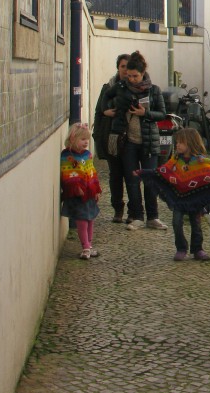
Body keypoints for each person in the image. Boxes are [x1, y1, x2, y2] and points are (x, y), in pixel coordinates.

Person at [134, 127, 210, 261]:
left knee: (196, 225)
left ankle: (198, 249)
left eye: (180, 142)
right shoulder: (175, 160)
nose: (177, 145)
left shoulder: (200, 161)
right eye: (177, 142)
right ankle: (181, 248)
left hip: (196, 199)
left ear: (190, 143)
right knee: (176, 222)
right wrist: (144, 172)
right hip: (179, 198)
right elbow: (162, 171)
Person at [111, 50, 169, 231]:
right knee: (132, 179)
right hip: (128, 141)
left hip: (149, 141)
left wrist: (146, 113)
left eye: (135, 76)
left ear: (143, 73)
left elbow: (162, 114)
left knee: (150, 180)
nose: (132, 79)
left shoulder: (154, 90)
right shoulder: (121, 88)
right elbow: (106, 97)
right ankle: (137, 216)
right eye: (129, 76)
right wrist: (109, 110)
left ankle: (153, 217)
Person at [92, 53, 130, 223]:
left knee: (131, 175)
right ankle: (118, 209)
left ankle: (134, 211)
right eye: (123, 66)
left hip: (130, 137)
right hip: (112, 137)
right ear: (118, 68)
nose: (125, 70)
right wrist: (98, 135)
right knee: (115, 174)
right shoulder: (108, 87)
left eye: (128, 67)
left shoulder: (135, 87)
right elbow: (99, 111)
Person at [60, 122, 102, 260]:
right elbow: (68, 175)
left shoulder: (87, 155)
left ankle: (89, 245)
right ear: (73, 139)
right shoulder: (67, 156)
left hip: (89, 193)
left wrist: (96, 189)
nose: (85, 143)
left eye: (87, 140)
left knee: (90, 219)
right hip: (77, 196)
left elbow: (92, 173)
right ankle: (85, 246)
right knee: (82, 220)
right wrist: (75, 187)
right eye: (82, 139)